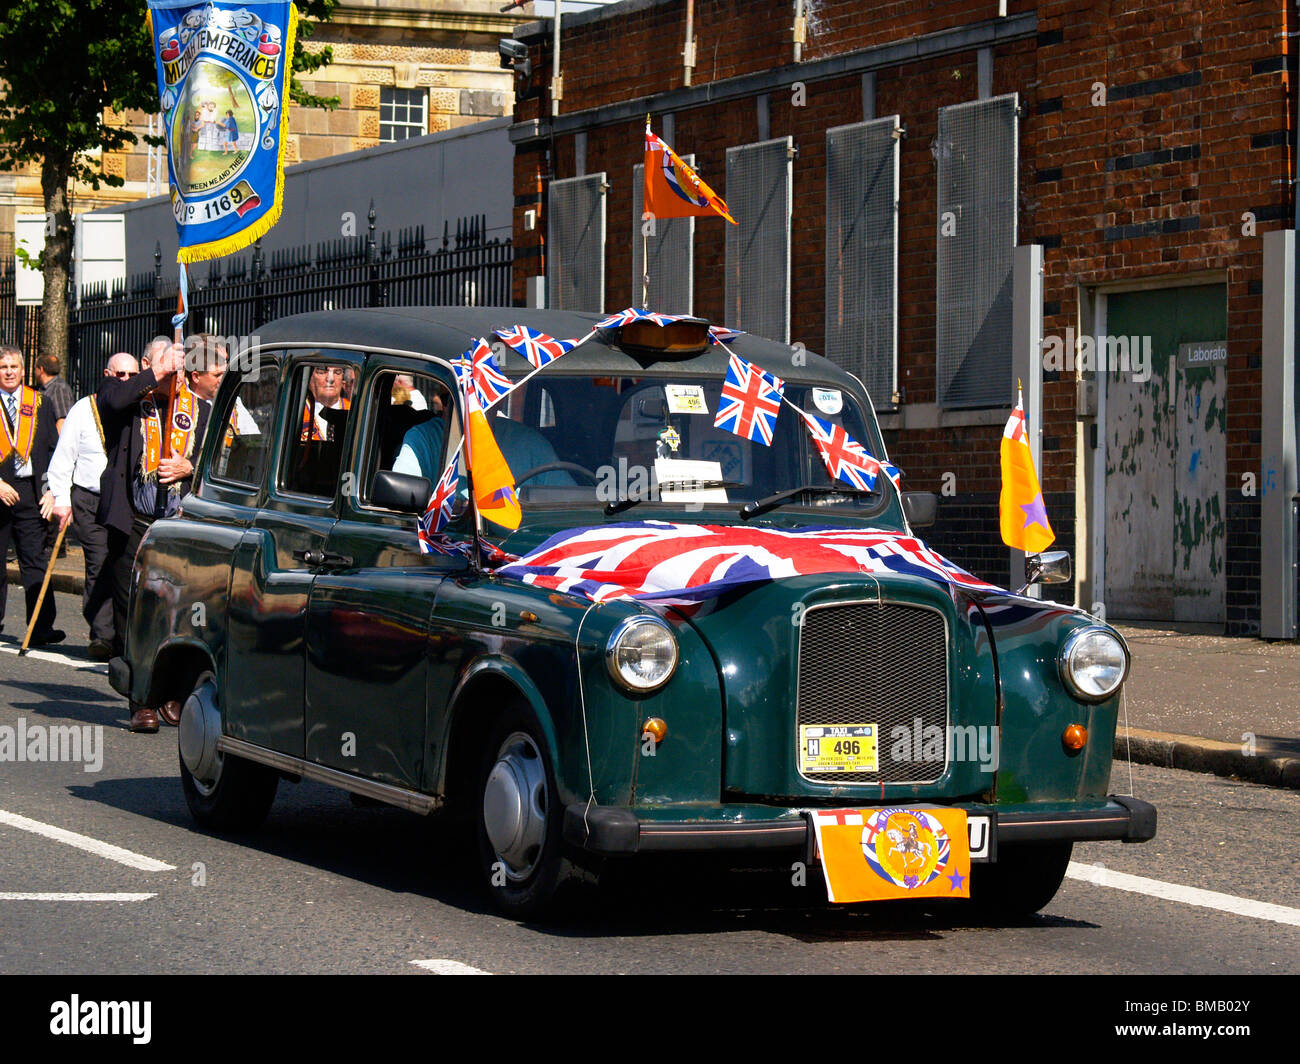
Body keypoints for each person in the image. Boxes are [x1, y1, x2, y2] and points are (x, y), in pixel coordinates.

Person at [98, 337, 207, 732]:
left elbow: (222, 454)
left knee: (174, 612)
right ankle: (140, 699)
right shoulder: (127, 401)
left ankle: (171, 692)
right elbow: (111, 401)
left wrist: (189, 466)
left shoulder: (198, 409)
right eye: (164, 367)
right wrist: (154, 374)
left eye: (175, 368)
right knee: (134, 613)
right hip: (135, 522)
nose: (170, 375)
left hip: (178, 524)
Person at [39, 352, 138, 660]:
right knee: (99, 562)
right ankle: (102, 635)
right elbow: (64, 457)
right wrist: (62, 499)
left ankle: (125, 637)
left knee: (124, 567)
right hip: (89, 499)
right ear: (107, 374)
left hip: (124, 500)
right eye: (119, 375)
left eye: (131, 376)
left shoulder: (139, 409)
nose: (124, 381)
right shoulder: (84, 408)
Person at [0, 343, 61, 644]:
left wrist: (53, 492)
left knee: (35, 560)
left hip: (30, 491)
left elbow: (53, 452)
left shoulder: (40, 403)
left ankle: (40, 626)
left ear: (24, 370)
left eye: (14, 367)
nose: (9, 372)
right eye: (3, 367)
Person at [302, 364, 350, 441]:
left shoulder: (353, 409)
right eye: (322, 371)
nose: (330, 379)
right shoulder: (296, 412)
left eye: (337, 372)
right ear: (309, 377)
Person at [34, 354, 74, 434]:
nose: (34, 372)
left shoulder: (58, 388)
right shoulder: (44, 388)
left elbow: (62, 419)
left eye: (35, 368)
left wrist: (56, 445)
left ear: (41, 369)